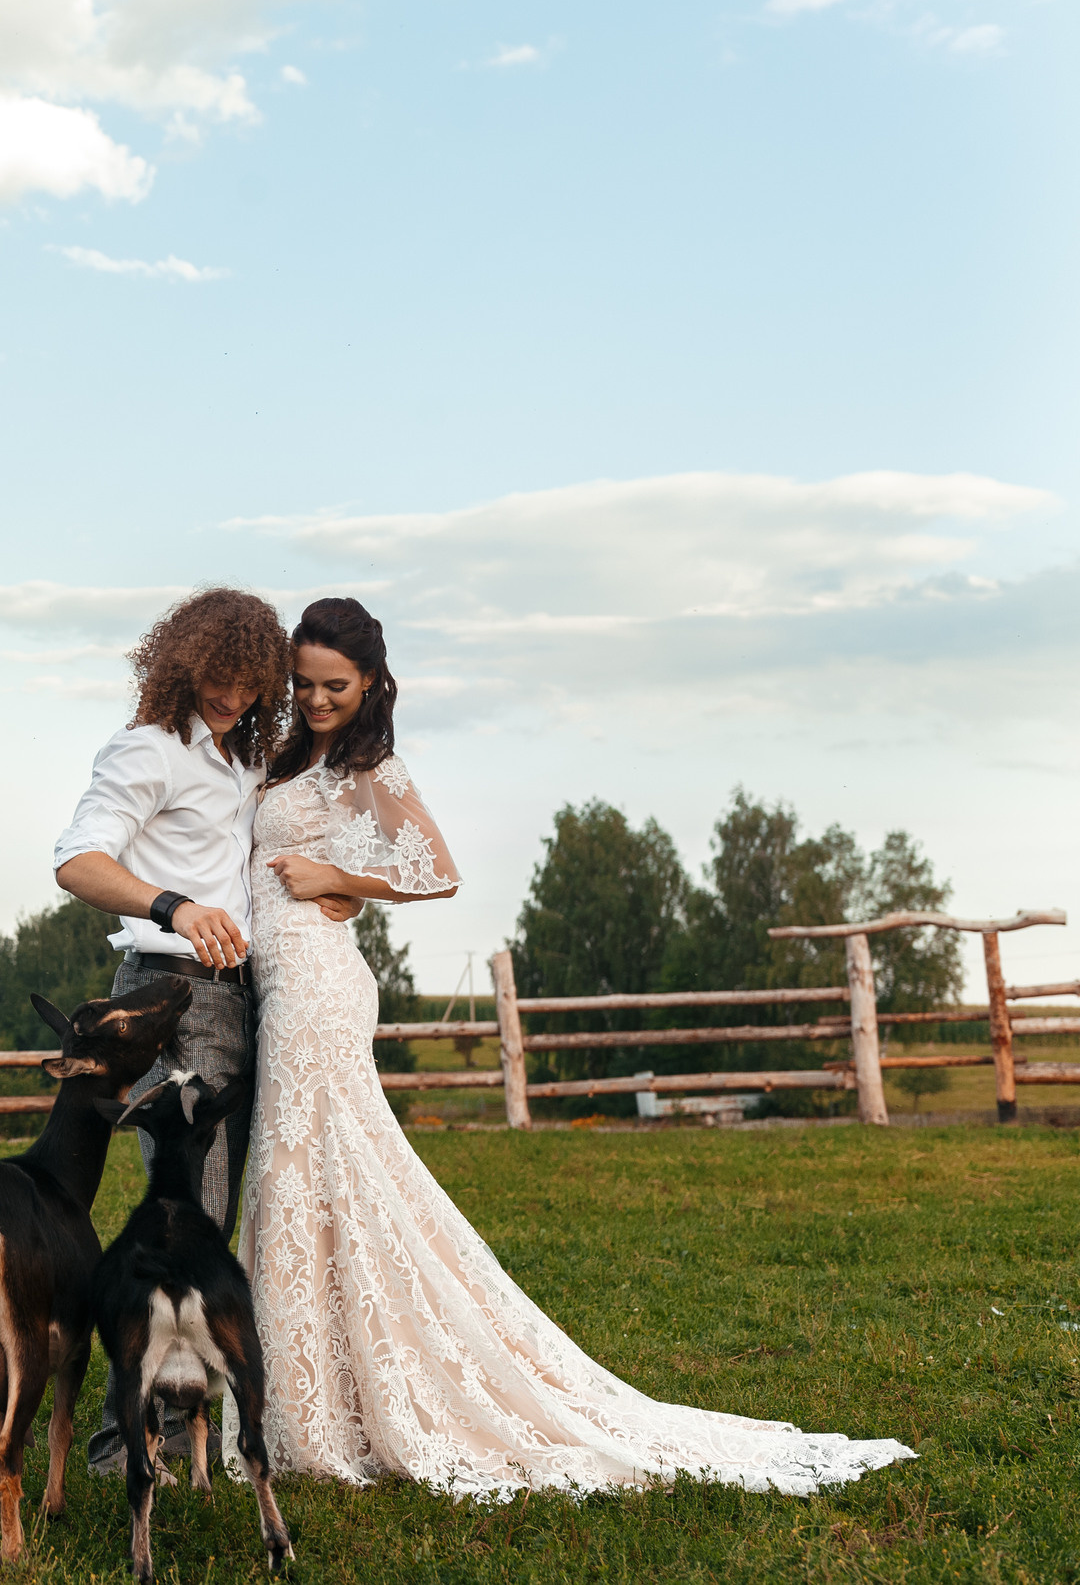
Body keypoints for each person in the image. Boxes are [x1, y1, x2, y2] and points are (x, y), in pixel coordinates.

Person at [241, 596, 914, 1496]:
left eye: (336, 685)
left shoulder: (372, 764)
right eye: (305, 683)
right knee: (297, 1178)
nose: (318, 699)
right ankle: (312, 1394)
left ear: (371, 683)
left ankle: (340, 1412)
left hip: (318, 987)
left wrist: (338, 878)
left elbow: (436, 869)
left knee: (315, 1170)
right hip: (276, 979)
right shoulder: (294, 757)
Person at [48, 587, 359, 1477]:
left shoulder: (237, 760)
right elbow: (76, 858)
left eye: (250, 684)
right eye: (217, 680)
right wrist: (173, 907)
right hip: (171, 993)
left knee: (228, 1217)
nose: (231, 697)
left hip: (242, 996)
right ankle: (121, 1439)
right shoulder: (148, 751)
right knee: (188, 1221)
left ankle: (201, 1426)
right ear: (181, 665)